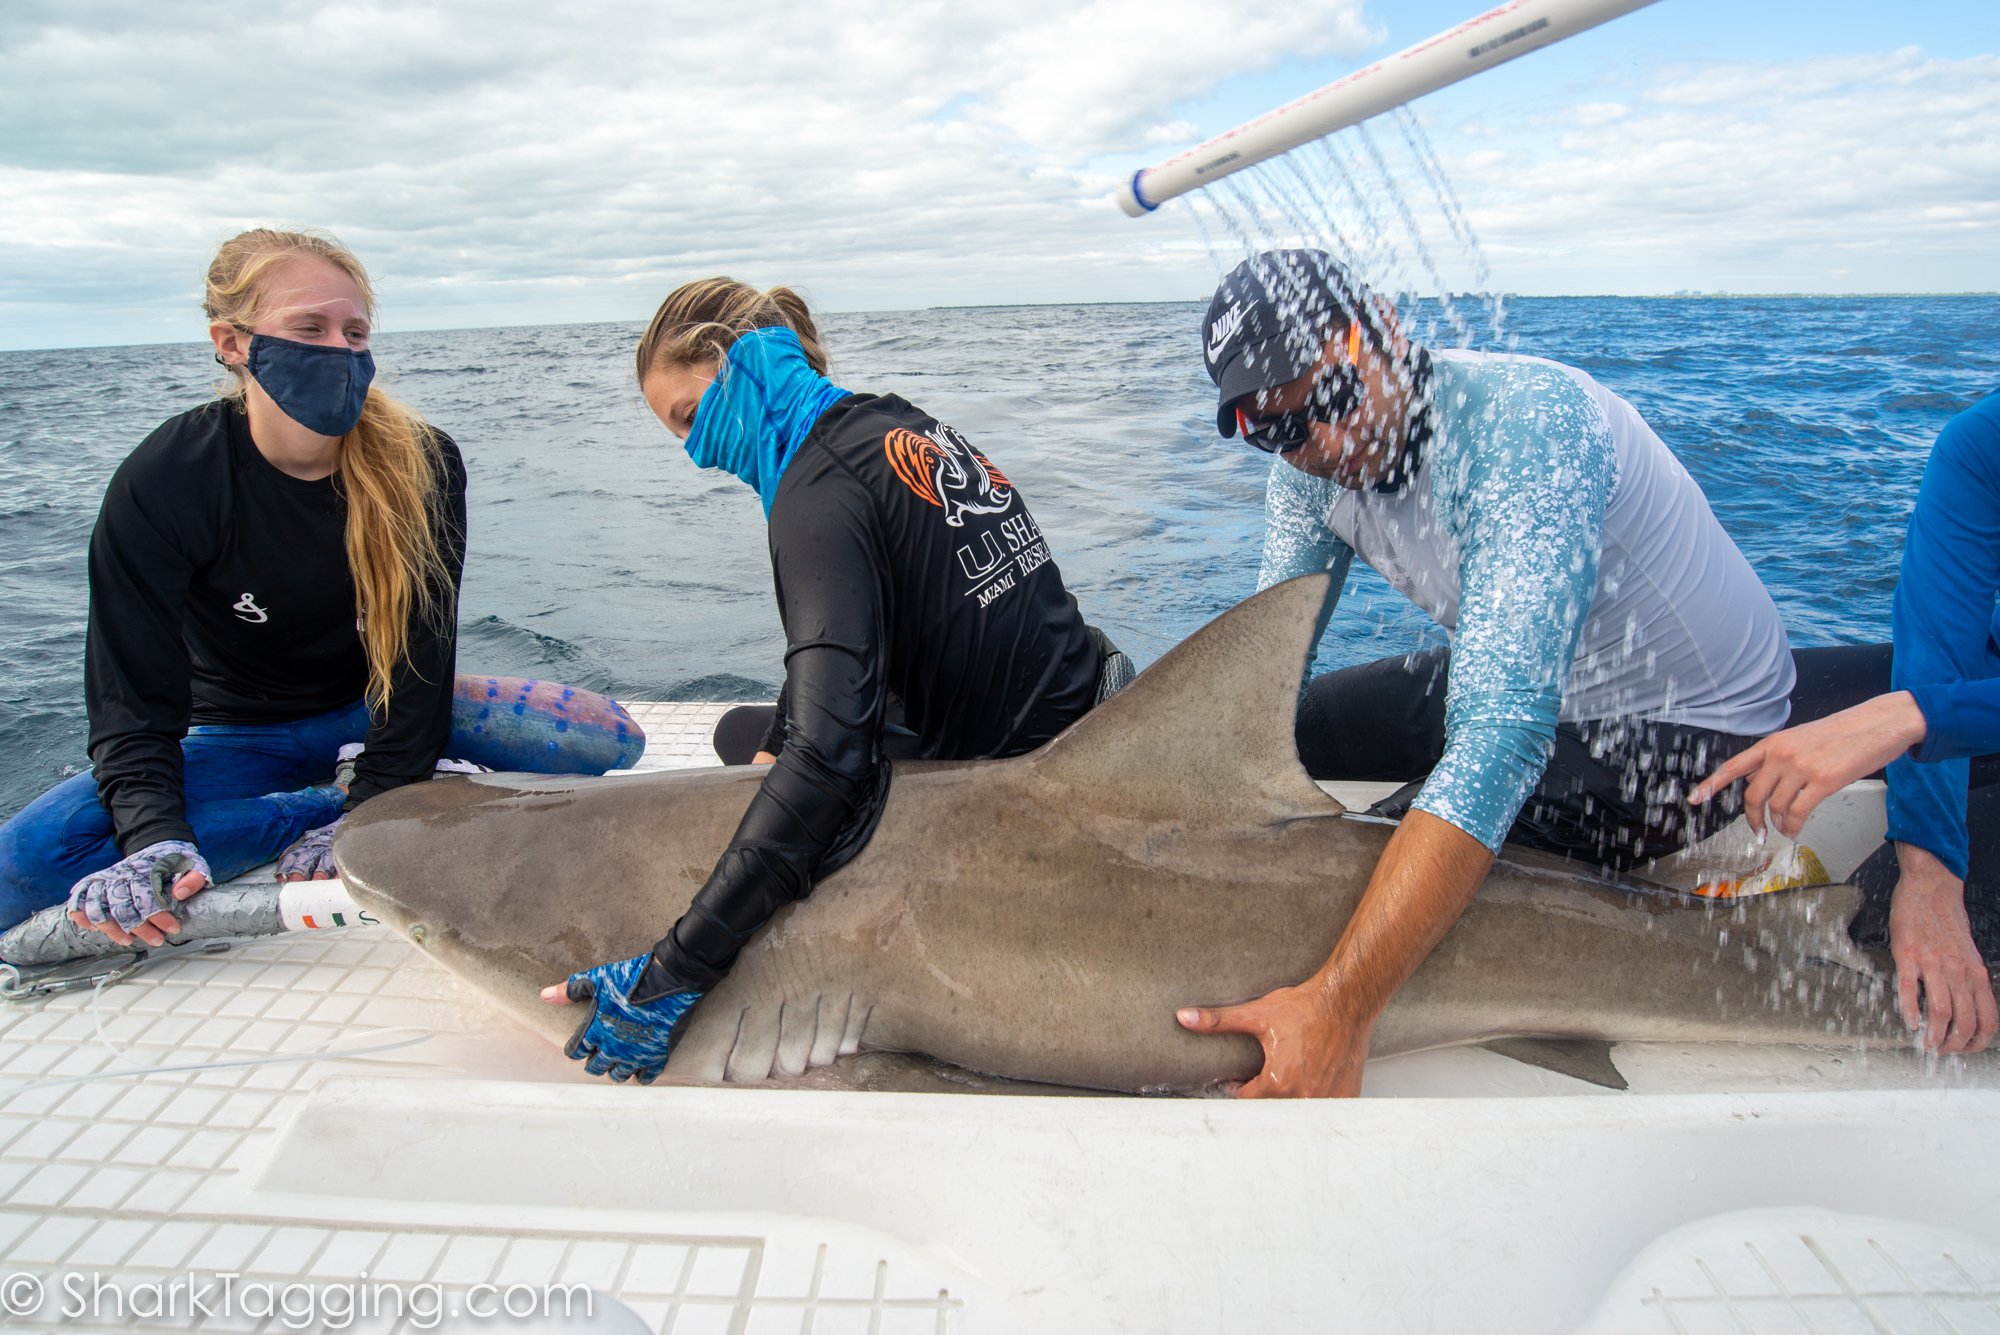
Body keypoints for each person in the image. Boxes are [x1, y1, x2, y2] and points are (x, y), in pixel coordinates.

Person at [1174, 249, 1796, 1098]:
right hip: (1546, 677)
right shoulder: (1307, 473)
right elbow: (1265, 669)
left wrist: (1345, 1007)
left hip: (1693, 735)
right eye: (1281, 429)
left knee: (1356, 876)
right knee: (1305, 719)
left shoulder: (1528, 425)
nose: (1322, 440)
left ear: (1386, 329)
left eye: (1331, 396)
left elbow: (1501, 739)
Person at [542, 278, 1129, 1083]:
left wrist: (676, 971)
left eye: (687, 416)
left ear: (726, 362)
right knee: (745, 738)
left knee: (795, 786)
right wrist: (779, 748)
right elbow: (861, 639)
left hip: (1021, 780)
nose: (695, 452)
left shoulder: (813, 495)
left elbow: (830, 764)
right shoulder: (890, 420)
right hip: (1095, 697)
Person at [0, 229, 643, 949]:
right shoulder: (166, 480)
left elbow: (420, 661)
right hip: (238, 732)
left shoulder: (421, 460)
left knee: (611, 742)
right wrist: (155, 836)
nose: (340, 349)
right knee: (18, 868)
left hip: (375, 710)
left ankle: (364, 787)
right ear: (232, 342)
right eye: (310, 327)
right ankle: (307, 805)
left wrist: (371, 805)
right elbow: (130, 704)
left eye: (355, 330)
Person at [1692, 391, 2000, 1055]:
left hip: (1964, 712)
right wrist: (1930, 871)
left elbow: (1928, 701)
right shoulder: (1980, 441)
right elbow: (1938, 654)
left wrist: (1915, 716)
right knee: (1734, 708)